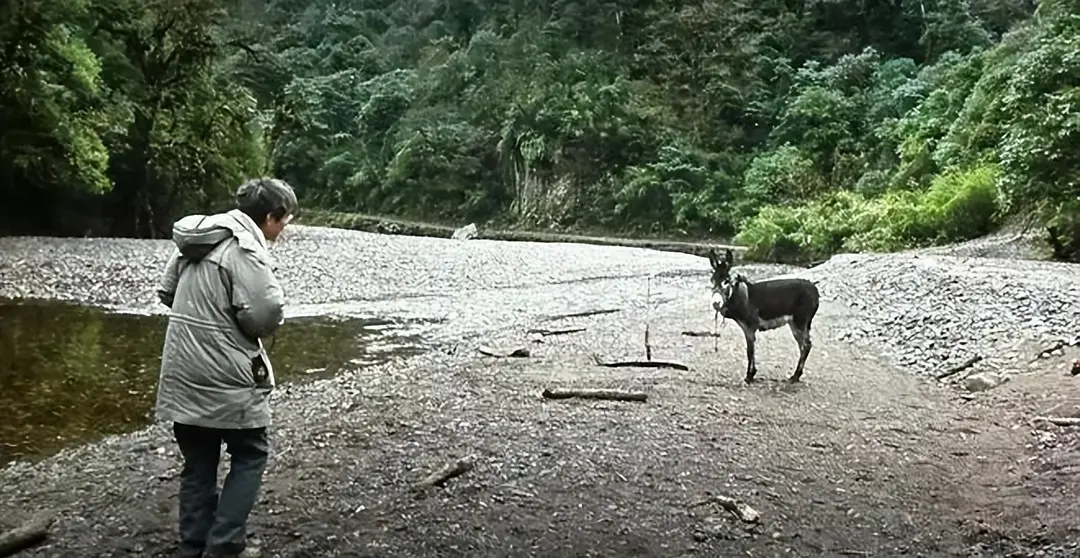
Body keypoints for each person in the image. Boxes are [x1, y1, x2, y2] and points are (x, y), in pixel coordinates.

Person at [154, 178, 298, 558]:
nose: (284, 230)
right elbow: (265, 317)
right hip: (229, 375)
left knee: (198, 462)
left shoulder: (197, 237)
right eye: (284, 222)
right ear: (270, 217)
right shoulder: (246, 249)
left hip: (183, 369)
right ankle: (224, 545)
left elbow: (167, 292)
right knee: (250, 453)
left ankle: (192, 545)